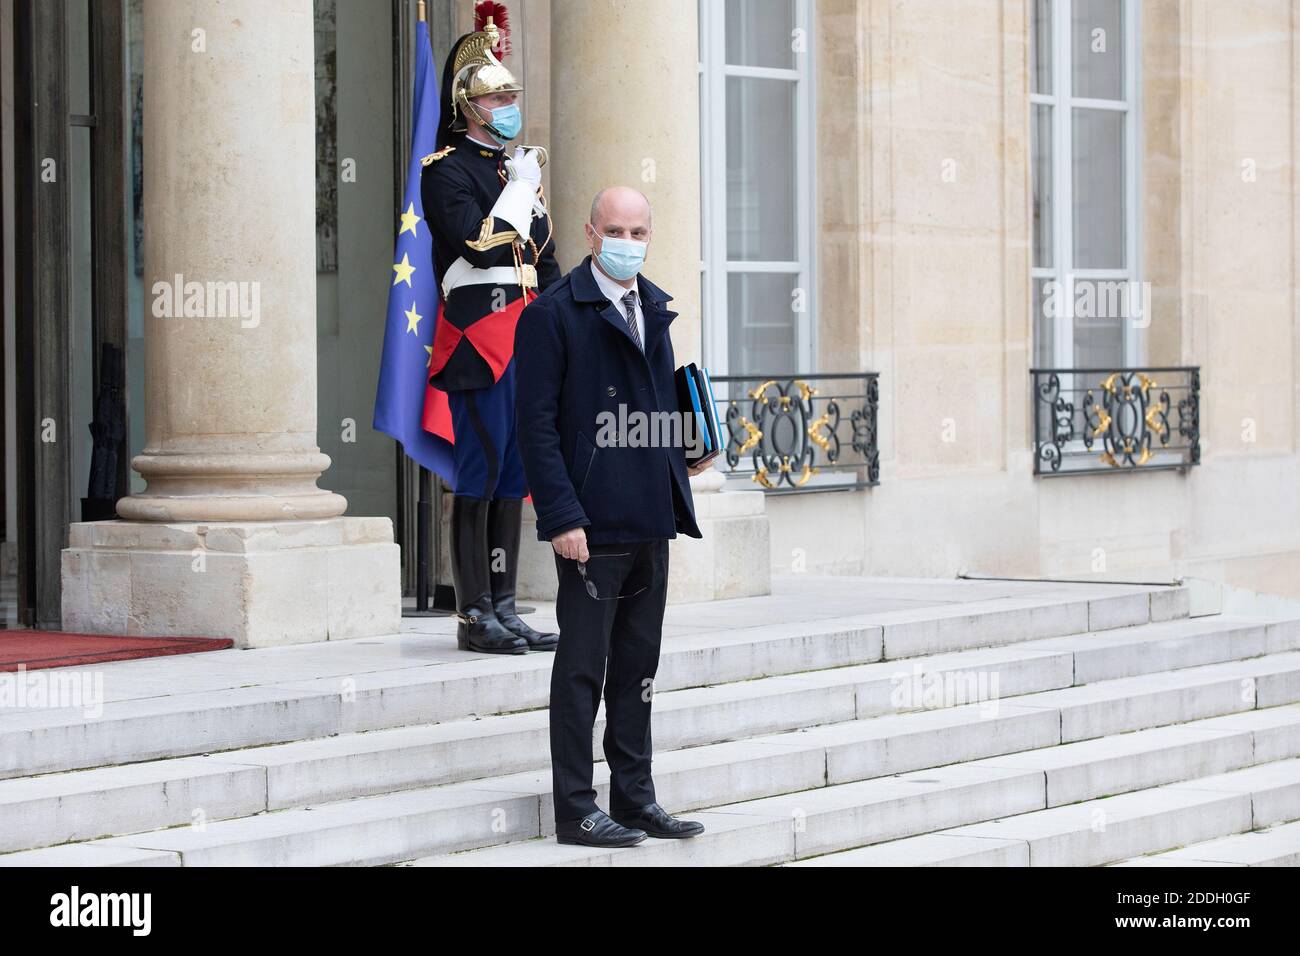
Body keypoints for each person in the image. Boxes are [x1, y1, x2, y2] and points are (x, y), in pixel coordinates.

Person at [515, 186, 711, 848]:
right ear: (591, 233)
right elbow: (536, 428)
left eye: (638, 230)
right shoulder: (552, 315)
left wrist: (686, 450)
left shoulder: (653, 307)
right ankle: (575, 807)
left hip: (650, 517)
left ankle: (634, 796)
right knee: (581, 669)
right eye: (615, 229)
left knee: (638, 668)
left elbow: (651, 402)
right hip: (589, 528)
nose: (627, 241)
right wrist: (561, 515)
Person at [420, 7, 560, 655]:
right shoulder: (445, 169)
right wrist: (520, 190)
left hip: (524, 344)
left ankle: (505, 604)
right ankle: (473, 614)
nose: (509, 105)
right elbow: (477, 243)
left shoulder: (512, 173)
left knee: (512, 479)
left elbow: (545, 262)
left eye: (511, 95)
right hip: (478, 342)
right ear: (470, 106)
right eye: (498, 96)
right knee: (478, 476)